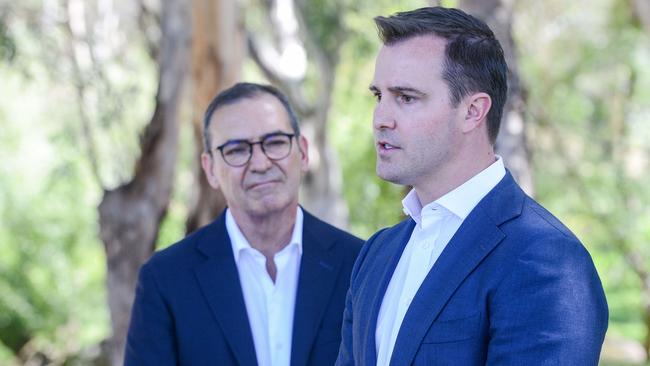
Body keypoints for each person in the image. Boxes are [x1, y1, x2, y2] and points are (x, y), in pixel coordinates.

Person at [337, 6, 608, 366]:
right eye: (378, 96)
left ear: (472, 111)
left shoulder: (546, 260)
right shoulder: (376, 255)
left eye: (406, 97)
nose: (381, 119)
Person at [125, 82, 362, 366]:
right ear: (210, 169)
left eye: (275, 143)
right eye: (237, 150)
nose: (260, 163)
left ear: (302, 152)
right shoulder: (165, 280)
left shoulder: (358, 264)